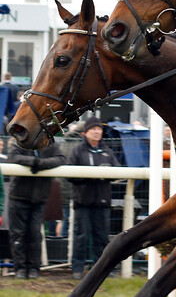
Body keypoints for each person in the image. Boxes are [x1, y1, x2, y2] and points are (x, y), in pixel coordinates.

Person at [68, 117, 121, 279]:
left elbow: (117, 171)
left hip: (102, 202)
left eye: (99, 129)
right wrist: (90, 175)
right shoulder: (77, 151)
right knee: (81, 236)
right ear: (85, 133)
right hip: (82, 201)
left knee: (102, 237)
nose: (98, 132)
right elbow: (69, 174)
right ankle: (77, 268)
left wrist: (104, 174)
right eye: (94, 129)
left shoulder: (108, 151)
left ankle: (102, 270)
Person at [7, 141, 66, 278]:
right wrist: (34, 162)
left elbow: (61, 158)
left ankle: (34, 268)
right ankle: (20, 268)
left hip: (39, 198)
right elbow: (13, 157)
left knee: (35, 235)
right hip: (18, 197)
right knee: (18, 235)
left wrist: (39, 164)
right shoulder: (21, 141)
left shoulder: (50, 144)